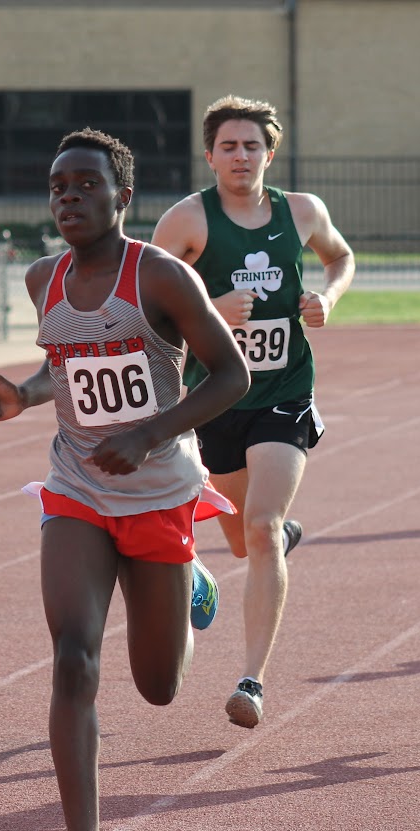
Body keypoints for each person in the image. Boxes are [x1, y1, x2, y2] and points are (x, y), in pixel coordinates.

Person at [0, 128, 249, 831]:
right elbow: (63, 364)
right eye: (59, 186)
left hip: (158, 490)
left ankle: (190, 591)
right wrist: (21, 397)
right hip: (77, 488)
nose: (70, 197)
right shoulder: (43, 280)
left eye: (86, 184)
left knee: (157, 687)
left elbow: (232, 373)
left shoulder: (159, 276)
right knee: (73, 658)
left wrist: (150, 432)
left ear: (122, 197)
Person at [151, 95, 355, 729]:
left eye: (253, 145)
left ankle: (252, 681)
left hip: (284, 393)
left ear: (272, 151)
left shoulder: (302, 212)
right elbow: (147, 309)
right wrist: (210, 309)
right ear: (210, 154)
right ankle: (222, 569)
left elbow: (341, 256)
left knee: (262, 529)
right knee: (242, 540)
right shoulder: (186, 222)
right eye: (230, 146)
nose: (242, 156)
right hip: (214, 395)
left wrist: (329, 294)